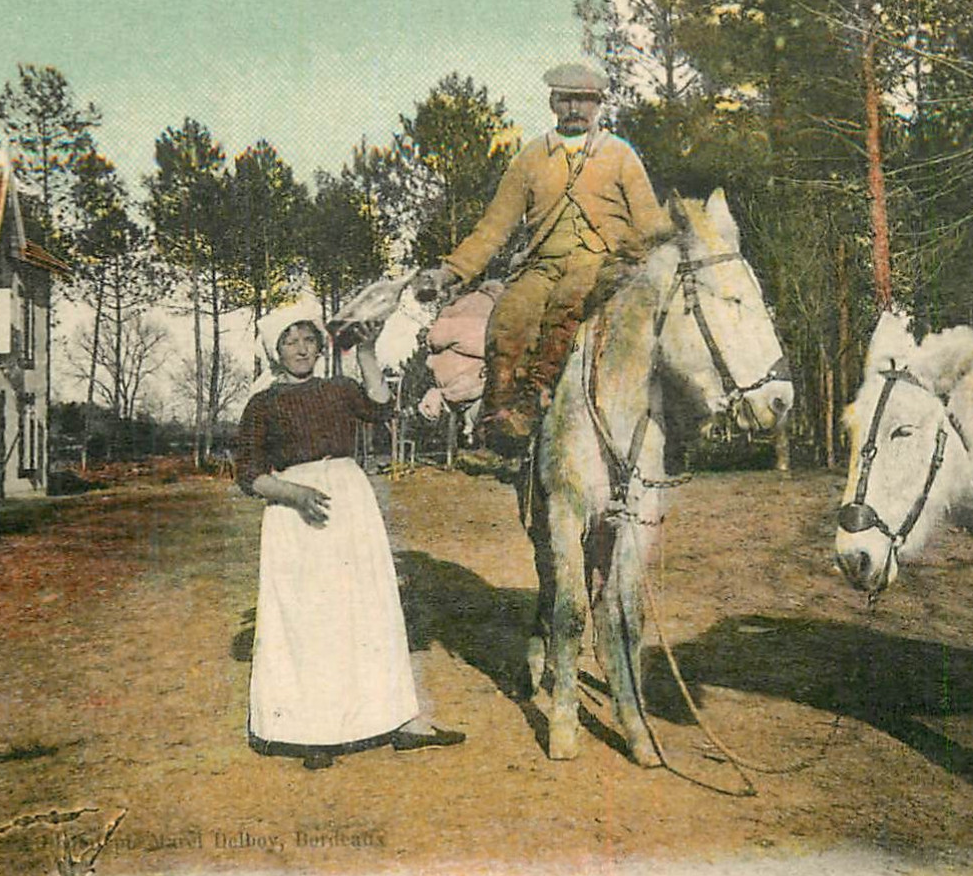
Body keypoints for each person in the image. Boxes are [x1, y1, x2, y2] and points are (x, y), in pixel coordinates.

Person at [235, 299, 465, 770]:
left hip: (348, 504)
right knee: (312, 616)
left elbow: (381, 409)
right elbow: (249, 474)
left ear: (320, 345)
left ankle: (401, 720)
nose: (300, 349)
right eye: (290, 341)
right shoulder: (263, 404)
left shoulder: (339, 389)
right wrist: (293, 493)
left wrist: (367, 351)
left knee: (368, 607)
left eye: (307, 340)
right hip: (295, 513)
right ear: (275, 350)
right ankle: (314, 732)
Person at [418, 61, 673, 456]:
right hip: (542, 264)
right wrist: (449, 271)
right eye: (566, 99)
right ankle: (498, 419)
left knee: (567, 301)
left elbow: (649, 218)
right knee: (510, 314)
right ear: (553, 102)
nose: (575, 109)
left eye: (584, 101)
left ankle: (534, 398)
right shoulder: (531, 158)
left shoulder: (620, 155)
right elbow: (494, 227)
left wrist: (667, 244)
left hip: (603, 260)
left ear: (599, 105)